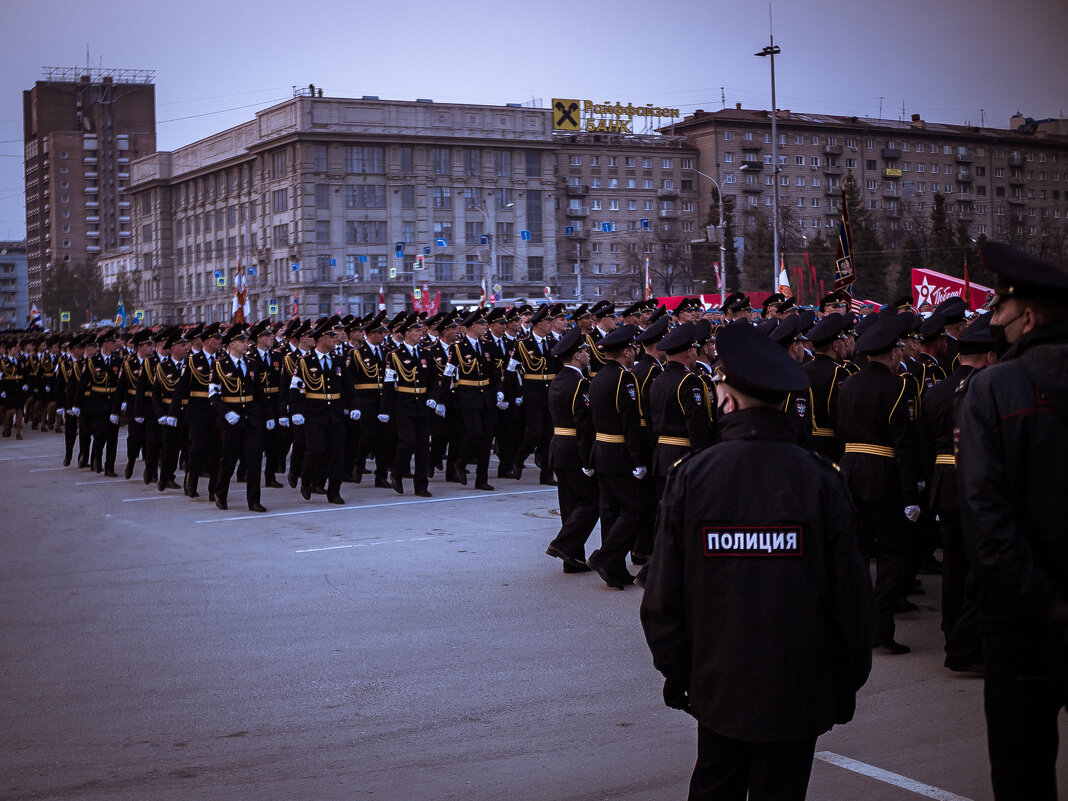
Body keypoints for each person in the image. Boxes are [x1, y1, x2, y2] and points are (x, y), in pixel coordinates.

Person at [641, 322, 872, 801]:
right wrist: (845, 680)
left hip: (717, 681)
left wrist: (678, 672)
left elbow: (663, 595)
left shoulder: (693, 476)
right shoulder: (821, 478)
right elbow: (850, 599)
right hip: (798, 682)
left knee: (716, 785)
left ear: (727, 398)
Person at [956, 242, 1068, 801]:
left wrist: (1045, 603)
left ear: (1027, 317)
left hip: (1021, 623)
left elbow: (984, 517)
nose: (992, 323)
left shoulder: (993, 388)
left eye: (998, 312)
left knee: (1023, 773)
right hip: (1033, 609)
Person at [837, 314, 922, 654]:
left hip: (849, 468)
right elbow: (904, 442)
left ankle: (854, 623)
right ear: (892, 351)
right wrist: (910, 493)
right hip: (883, 471)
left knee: (856, 553)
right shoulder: (900, 386)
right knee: (893, 553)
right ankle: (880, 626)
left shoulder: (849, 383)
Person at [586, 324, 649, 590]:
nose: (634, 353)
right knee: (634, 510)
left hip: (601, 451)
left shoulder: (598, 377)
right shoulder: (625, 379)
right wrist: (638, 460)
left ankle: (615, 569)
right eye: (632, 349)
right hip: (620, 453)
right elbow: (630, 423)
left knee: (611, 511)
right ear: (626, 351)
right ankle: (605, 557)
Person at [544, 327, 597, 574]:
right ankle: (563, 545)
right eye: (585, 351)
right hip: (575, 449)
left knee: (569, 505)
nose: (588, 354)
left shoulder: (558, 380)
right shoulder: (580, 384)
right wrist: (588, 459)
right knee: (591, 501)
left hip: (558, 447)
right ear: (577, 355)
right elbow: (584, 425)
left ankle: (572, 559)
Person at [210, 323, 267, 512]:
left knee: (254, 460)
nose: (245, 344)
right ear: (231, 344)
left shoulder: (251, 363)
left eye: (246, 341)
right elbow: (213, 394)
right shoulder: (219, 365)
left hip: (251, 418)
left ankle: (253, 500)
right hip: (231, 419)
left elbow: (260, 393)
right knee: (229, 459)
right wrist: (226, 412)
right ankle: (221, 494)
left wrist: (266, 416)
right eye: (241, 341)